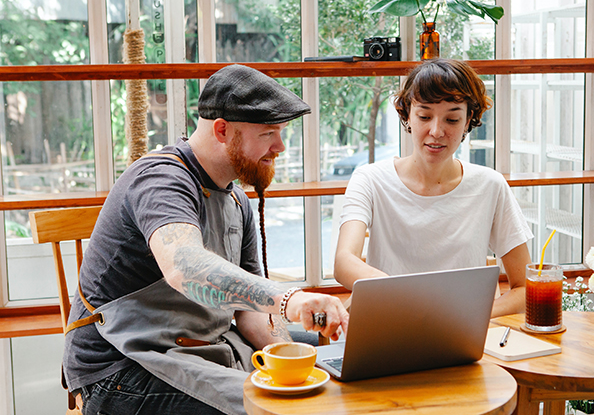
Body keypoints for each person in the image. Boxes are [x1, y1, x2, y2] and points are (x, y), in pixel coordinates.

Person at [63, 64, 349, 415]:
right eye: (269, 133)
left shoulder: (236, 199)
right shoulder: (161, 180)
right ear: (222, 130)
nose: (280, 146)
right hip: (121, 366)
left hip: (199, 346)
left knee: (332, 371)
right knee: (273, 409)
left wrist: (288, 359)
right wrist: (288, 300)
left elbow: (249, 313)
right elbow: (186, 268)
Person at [334, 58, 533, 317]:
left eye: (451, 119)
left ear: (468, 120)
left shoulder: (489, 185)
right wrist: (410, 298)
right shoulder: (370, 179)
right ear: (406, 115)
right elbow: (343, 262)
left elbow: (525, 288)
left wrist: (470, 316)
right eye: (424, 116)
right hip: (391, 324)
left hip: (463, 336)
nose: (436, 131)